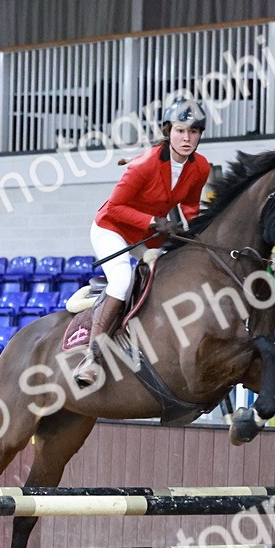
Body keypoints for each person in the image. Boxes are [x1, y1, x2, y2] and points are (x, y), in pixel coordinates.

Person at [73, 98, 212, 387]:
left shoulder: (200, 167)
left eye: (194, 132)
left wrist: (195, 232)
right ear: (168, 131)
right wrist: (152, 222)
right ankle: (92, 357)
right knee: (122, 279)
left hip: (148, 236)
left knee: (174, 269)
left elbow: (189, 205)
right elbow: (113, 209)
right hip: (111, 229)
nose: (187, 138)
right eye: (180, 130)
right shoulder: (145, 165)